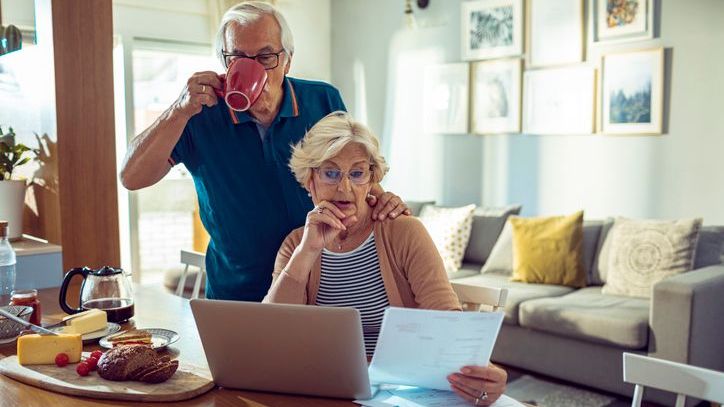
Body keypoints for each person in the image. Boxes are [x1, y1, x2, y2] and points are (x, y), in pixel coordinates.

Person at [119, 2, 408, 301]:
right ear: (224, 61)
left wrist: (380, 198)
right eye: (238, 57)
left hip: (318, 287)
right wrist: (177, 110)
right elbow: (131, 177)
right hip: (236, 294)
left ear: (287, 61)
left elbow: (351, 172)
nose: (253, 68)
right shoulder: (199, 114)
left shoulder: (322, 100)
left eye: (266, 56)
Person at [263, 112, 507, 406]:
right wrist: (307, 251)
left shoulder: (403, 232)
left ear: (371, 180)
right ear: (309, 181)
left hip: (397, 392)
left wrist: (481, 374)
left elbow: (446, 319)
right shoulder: (296, 245)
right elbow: (273, 335)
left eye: (356, 173)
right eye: (330, 172)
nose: (345, 188)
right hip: (325, 391)